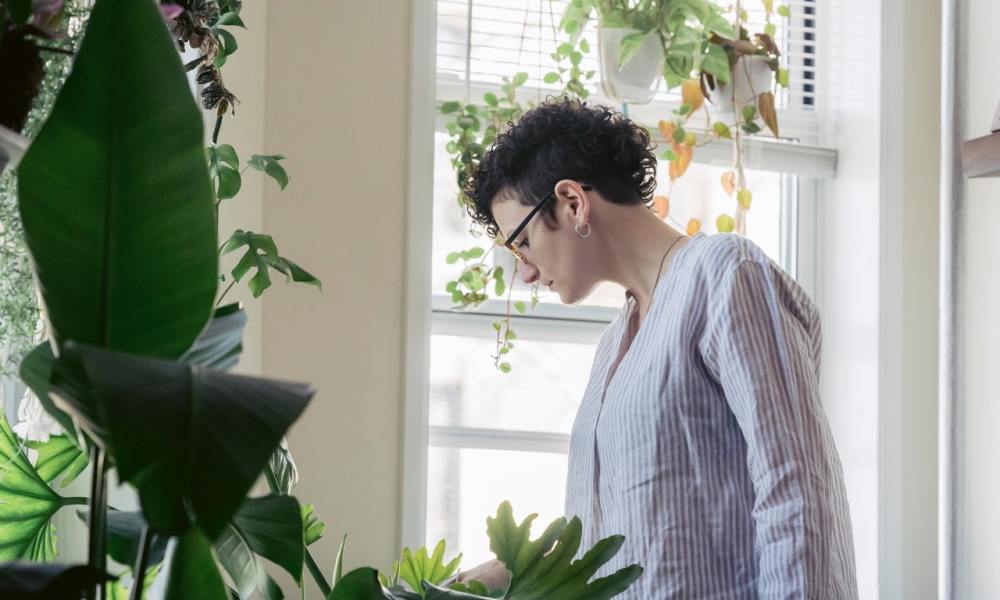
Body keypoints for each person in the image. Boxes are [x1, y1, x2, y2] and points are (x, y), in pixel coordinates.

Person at [453, 98, 858, 599]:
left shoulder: (725, 274)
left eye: (521, 242)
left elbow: (797, 490)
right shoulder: (614, 345)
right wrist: (505, 572)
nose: (526, 272)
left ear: (572, 201)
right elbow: (623, 533)